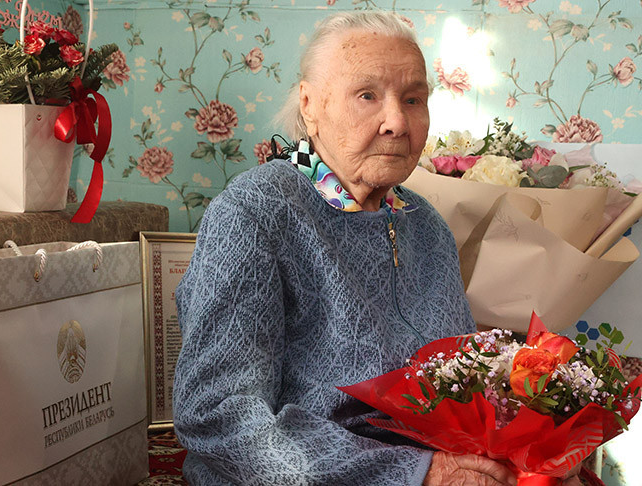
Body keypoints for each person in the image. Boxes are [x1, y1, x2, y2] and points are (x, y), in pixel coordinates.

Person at [174, 11, 579, 486]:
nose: (397, 121)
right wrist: (415, 474)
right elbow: (218, 417)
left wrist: (530, 446)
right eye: (367, 95)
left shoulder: (423, 222)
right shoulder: (255, 212)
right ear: (310, 104)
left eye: (414, 99)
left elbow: (462, 388)